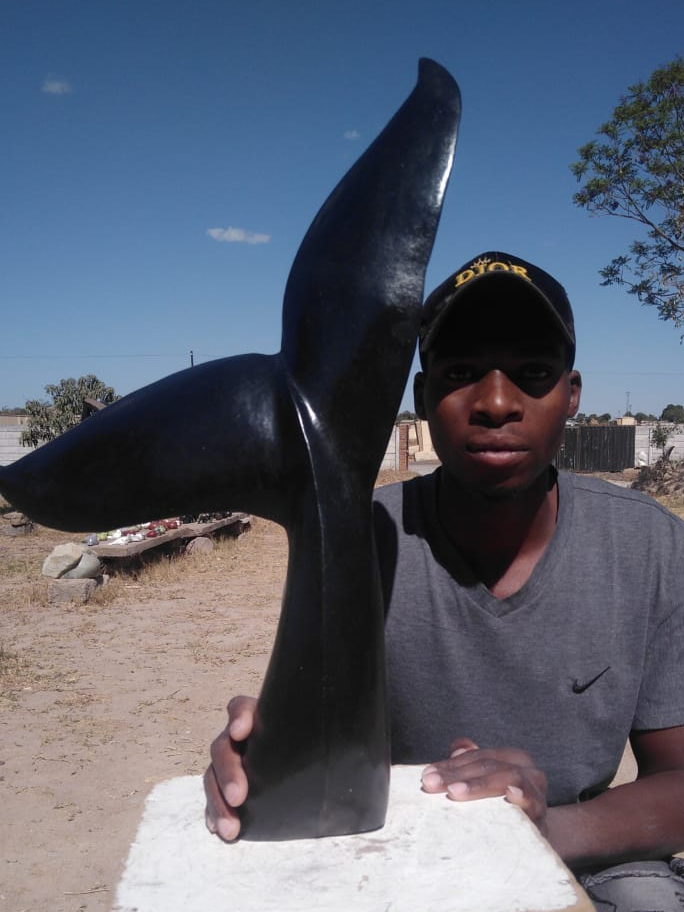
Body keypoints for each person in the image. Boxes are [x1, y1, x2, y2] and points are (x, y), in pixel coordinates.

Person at [204, 252, 684, 909]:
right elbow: (317, 751)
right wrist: (263, 766)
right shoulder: (360, 539)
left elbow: (678, 777)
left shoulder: (647, 544)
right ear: (422, 397)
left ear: (572, 395)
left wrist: (543, 828)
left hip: (586, 850)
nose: (494, 402)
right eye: (460, 374)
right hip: (405, 850)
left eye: (532, 374)